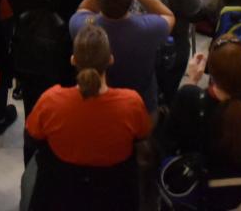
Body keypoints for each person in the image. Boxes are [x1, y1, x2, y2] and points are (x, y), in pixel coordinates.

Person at [24, 22, 152, 211]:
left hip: (59, 196)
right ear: (110, 60)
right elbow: (143, 138)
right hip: (113, 197)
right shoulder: (132, 103)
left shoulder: (50, 100)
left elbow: (32, 138)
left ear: (73, 59)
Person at [159, 36, 241, 206]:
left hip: (196, 188)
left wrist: (191, 81)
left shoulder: (188, 97)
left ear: (210, 71)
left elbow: (169, 143)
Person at [69, 0, 174, 112]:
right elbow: (169, 16)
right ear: (131, 0)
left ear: (98, 0)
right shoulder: (149, 28)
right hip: (141, 108)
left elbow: (82, 11)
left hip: (97, 106)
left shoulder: (83, 28)